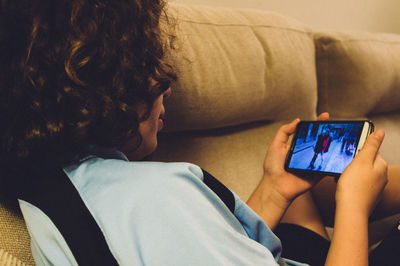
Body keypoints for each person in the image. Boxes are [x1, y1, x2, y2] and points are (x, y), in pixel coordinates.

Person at [0, 0, 397, 265]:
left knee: (305, 196)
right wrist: (353, 207)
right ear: (111, 86)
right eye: (147, 64)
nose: (166, 85)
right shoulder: (160, 197)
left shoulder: (44, 189)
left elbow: (208, 246)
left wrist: (275, 190)